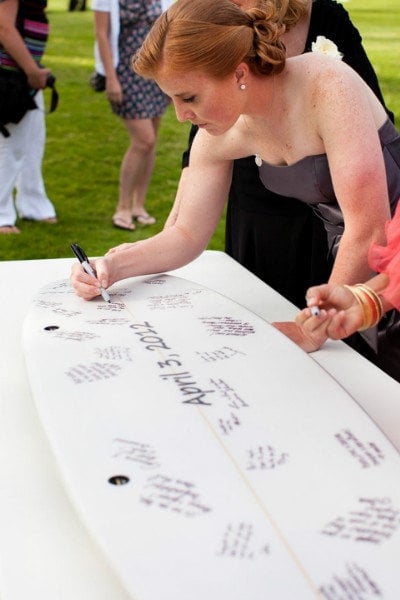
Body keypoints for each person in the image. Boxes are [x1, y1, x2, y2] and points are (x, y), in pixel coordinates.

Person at [71, 0, 400, 381]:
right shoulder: (225, 134)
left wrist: (313, 326)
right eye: (172, 99)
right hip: (356, 266)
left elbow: (370, 227)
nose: (180, 115)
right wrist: (112, 266)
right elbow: (186, 233)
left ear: (238, 72)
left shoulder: (327, 85)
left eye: (189, 97)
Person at [176, 0, 394, 309]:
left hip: (339, 216)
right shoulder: (213, 22)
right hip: (257, 208)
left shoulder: (328, 57)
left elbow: (370, 225)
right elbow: (200, 143)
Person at [92, 0, 169, 232]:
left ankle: (139, 206)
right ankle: (123, 207)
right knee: (143, 140)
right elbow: (101, 34)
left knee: (151, 141)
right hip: (125, 72)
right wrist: (111, 77)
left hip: (157, 72)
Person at [0, 0, 57, 234]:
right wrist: (32, 71)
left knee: (33, 143)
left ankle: (34, 204)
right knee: (10, 147)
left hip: (25, 75)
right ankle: (2, 215)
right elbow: (3, 27)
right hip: (11, 77)